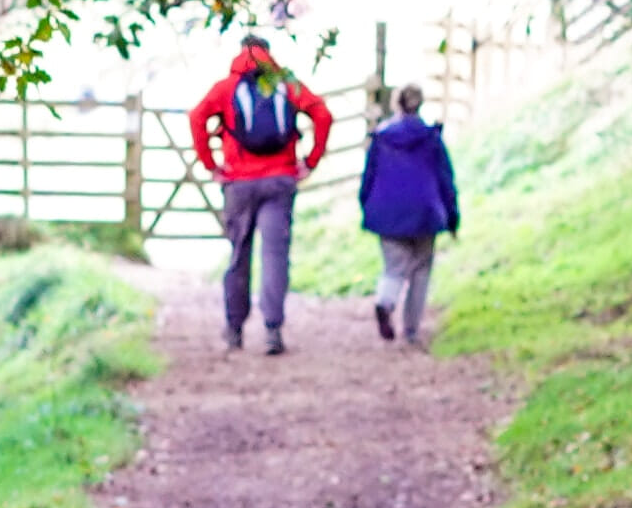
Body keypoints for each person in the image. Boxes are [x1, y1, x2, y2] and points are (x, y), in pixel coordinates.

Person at [190, 33, 335, 352]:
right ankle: (272, 331)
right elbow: (322, 114)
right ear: (269, 53)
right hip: (280, 181)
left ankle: (234, 329)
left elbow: (196, 117)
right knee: (275, 257)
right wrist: (310, 161)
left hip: (238, 183)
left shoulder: (226, 88)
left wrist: (210, 165)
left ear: (241, 52)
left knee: (239, 254)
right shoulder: (286, 83)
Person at [362, 85, 464, 348]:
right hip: (425, 213)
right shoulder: (430, 138)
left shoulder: (382, 139)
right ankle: (411, 331)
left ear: (397, 104)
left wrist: (367, 206)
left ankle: (385, 302)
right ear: (420, 104)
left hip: (387, 212)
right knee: (420, 270)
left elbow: (368, 179)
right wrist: (453, 218)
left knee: (393, 267)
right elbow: (445, 180)